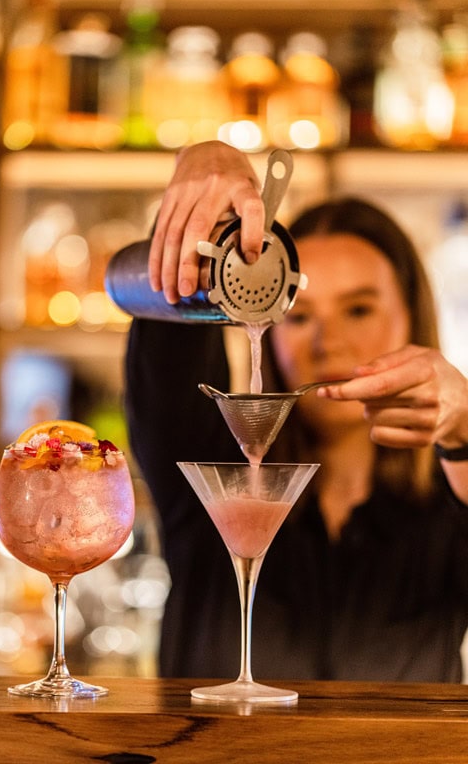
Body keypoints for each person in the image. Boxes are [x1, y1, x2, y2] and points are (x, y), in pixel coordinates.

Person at [125, 140, 468, 682]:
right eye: (299, 314)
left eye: (358, 309)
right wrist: (210, 212)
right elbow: (169, 335)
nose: (327, 341)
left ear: (412, 317)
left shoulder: (448, 503)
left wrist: (464, 430)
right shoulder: (210, 465)